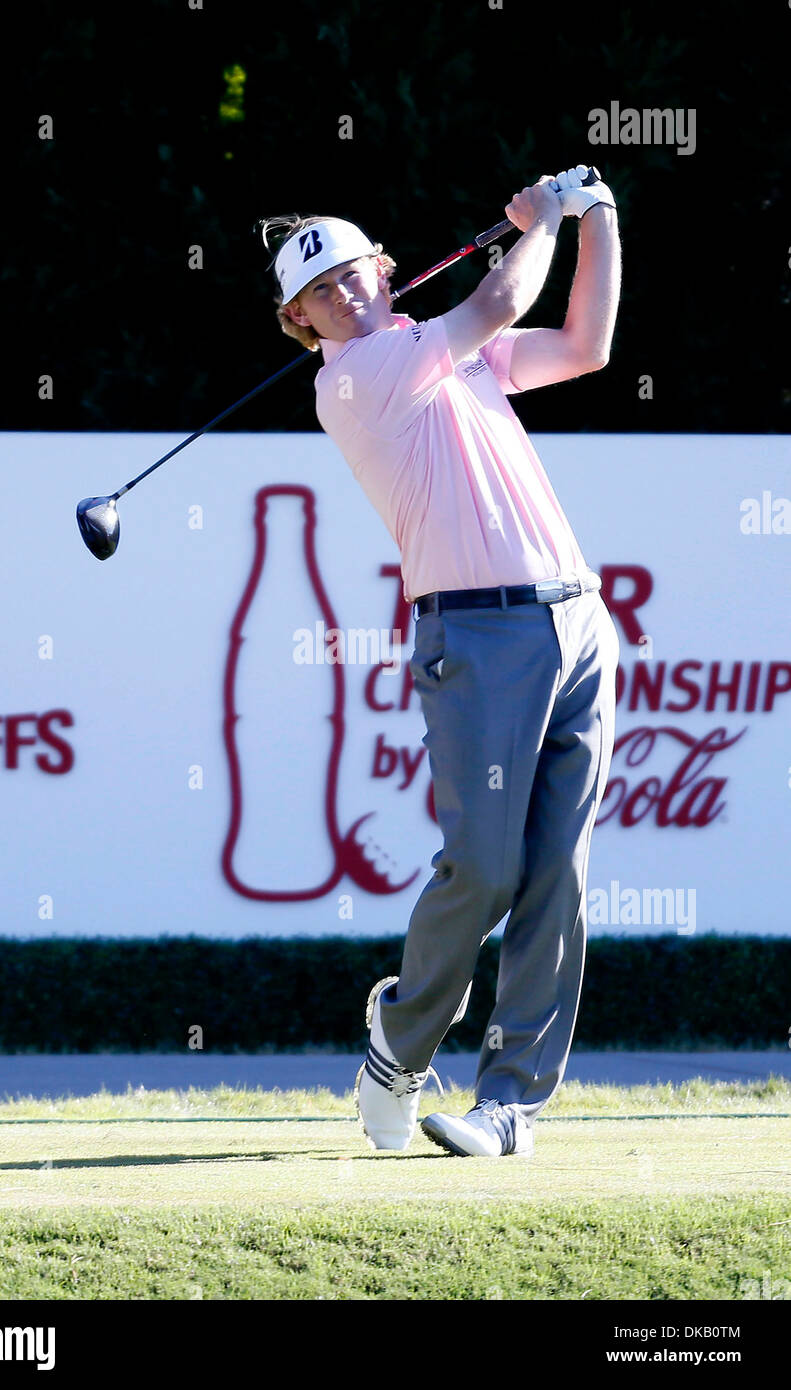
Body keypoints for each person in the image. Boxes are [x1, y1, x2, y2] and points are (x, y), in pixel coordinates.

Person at [259, 164, 622, 1157]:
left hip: (576, 621)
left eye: (349, 273)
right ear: (303, 325)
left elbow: (586, 347)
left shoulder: (449, 358)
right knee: (485, 865)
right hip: (474, 635)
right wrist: (538, 219)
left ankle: (510, 1105)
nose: (341, 296)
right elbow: (502, 293)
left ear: (384, 269)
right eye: (317, 295)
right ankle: (399, 1043)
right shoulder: (355, 379)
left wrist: (595, 220)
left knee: (558, 873)